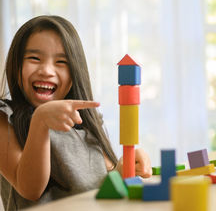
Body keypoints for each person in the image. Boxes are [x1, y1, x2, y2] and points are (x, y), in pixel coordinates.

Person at [0, 15, 152, 210]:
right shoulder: (5, 117)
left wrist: (124, 170)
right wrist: (40, 120)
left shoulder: (86, 123)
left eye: (61, 62)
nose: (47, 70)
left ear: (75, 73)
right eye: (34, 58)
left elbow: (100, 188)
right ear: (15, 65)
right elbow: (29, 189)